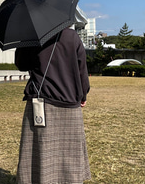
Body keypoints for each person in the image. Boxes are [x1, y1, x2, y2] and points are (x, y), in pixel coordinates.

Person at [15, 27, 91, 184]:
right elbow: (81, 68)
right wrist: (83, 94)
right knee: (69, 152)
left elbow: (21, 64)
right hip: (70, 101)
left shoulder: (31, 36)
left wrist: (24, 42)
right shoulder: (72, 36)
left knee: (40, 150)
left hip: (41, 102)